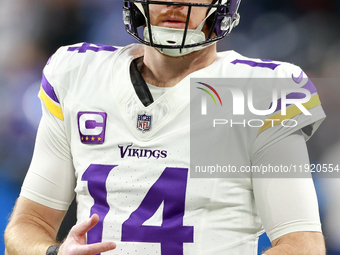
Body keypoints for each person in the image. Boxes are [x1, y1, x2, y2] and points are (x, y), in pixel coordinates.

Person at [5, 0, 326, 254]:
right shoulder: (77, 75)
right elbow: (27, 226)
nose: (175, 2)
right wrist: (52, 253)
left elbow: (303, 244)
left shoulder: (261, 93)